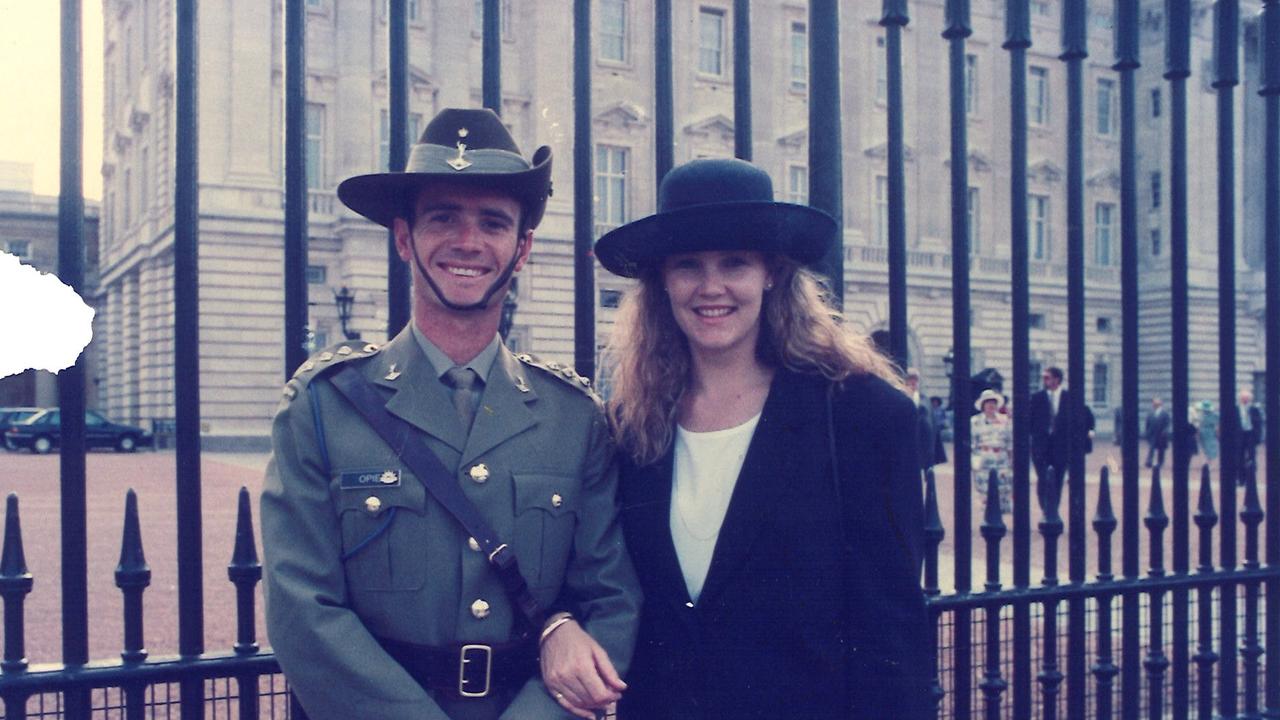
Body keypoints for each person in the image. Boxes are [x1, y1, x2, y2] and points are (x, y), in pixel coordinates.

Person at [260, 108, 640, 720]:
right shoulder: (323, 407)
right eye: (443, 217)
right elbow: (303, 610)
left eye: (493, 222)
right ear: (404, 237)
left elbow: (611, 600)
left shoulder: (574, 418)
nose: (468, 242)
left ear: (521, 250)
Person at [594, 158, 933, 719]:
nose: (711, 287)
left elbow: (892, 636)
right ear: (663, 282)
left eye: (735, 263)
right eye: (688, 265)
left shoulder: (864, 416)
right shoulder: (634, 424)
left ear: (772, 272)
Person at [1029, 367, 1068, 500]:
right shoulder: (1036, 398)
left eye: (1047, 377)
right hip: (1041, 446)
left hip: (1060, 447)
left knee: (1058, 479)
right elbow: (1029, 420)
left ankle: (1054, 509)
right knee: (1043, 478)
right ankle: (1044, 507)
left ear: (1057, 379)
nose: (1044, 380)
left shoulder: (1068, 398)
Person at [971, 389, 1012, 514]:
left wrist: (1011, 459)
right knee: (985, 489)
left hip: (1001, 458)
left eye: (993, 402)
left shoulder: (1005, 420)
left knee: (1002, 488)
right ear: (983, 405)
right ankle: (988, 514)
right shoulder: (974, 421)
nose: (991, 405)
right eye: (988, 402)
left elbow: (1010, 441)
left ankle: (999, 515)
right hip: (983, 458)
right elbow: (972, 442)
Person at [906, 368, 947, 473]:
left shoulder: (925, 400)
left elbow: (933, 423)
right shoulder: (900, 398)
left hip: (924, 443)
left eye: (915, 379)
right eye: (910, 379)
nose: (913, 382)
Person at [1239, 389, 1264, 473]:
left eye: (1247, 398)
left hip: (1251, 434)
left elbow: (1259, 424)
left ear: (1249, 399)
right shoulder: (1237, 409)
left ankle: (1252, 473)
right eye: (1243, 398)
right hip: (1241, 434)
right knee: (1240, 455)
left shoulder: (1254, 409)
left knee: (1252, 454)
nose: (1245, 399)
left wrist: (1258, 437)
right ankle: (1241, 476)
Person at [1145, 397, 1171, 469]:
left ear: (1160, 404)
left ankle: (1160, 462)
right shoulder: (1150, 413)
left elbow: (1167, 423)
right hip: (1153, 434)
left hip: (1161, 434)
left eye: (1156, 403)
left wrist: (1165, 431)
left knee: (1161, 450)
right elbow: (1147, 423)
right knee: (1151, 448)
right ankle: (1149, 461)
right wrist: (1147, 432)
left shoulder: (1165, 413)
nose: (1154, 405)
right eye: (1154, 403)